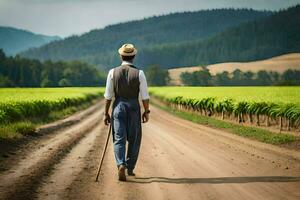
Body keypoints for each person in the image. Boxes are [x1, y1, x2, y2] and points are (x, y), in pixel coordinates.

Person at [103, 43, 150, 181]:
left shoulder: (112, 72)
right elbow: (145, 96)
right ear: (133, 57)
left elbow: (108, 96)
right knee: (134, 140)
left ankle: (120, 164)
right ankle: (130, 167)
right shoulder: (140, 73)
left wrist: (106, 113)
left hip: (118, 107)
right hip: (134, 108)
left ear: (120, 56)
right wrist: (146, 111)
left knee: (119, 138)